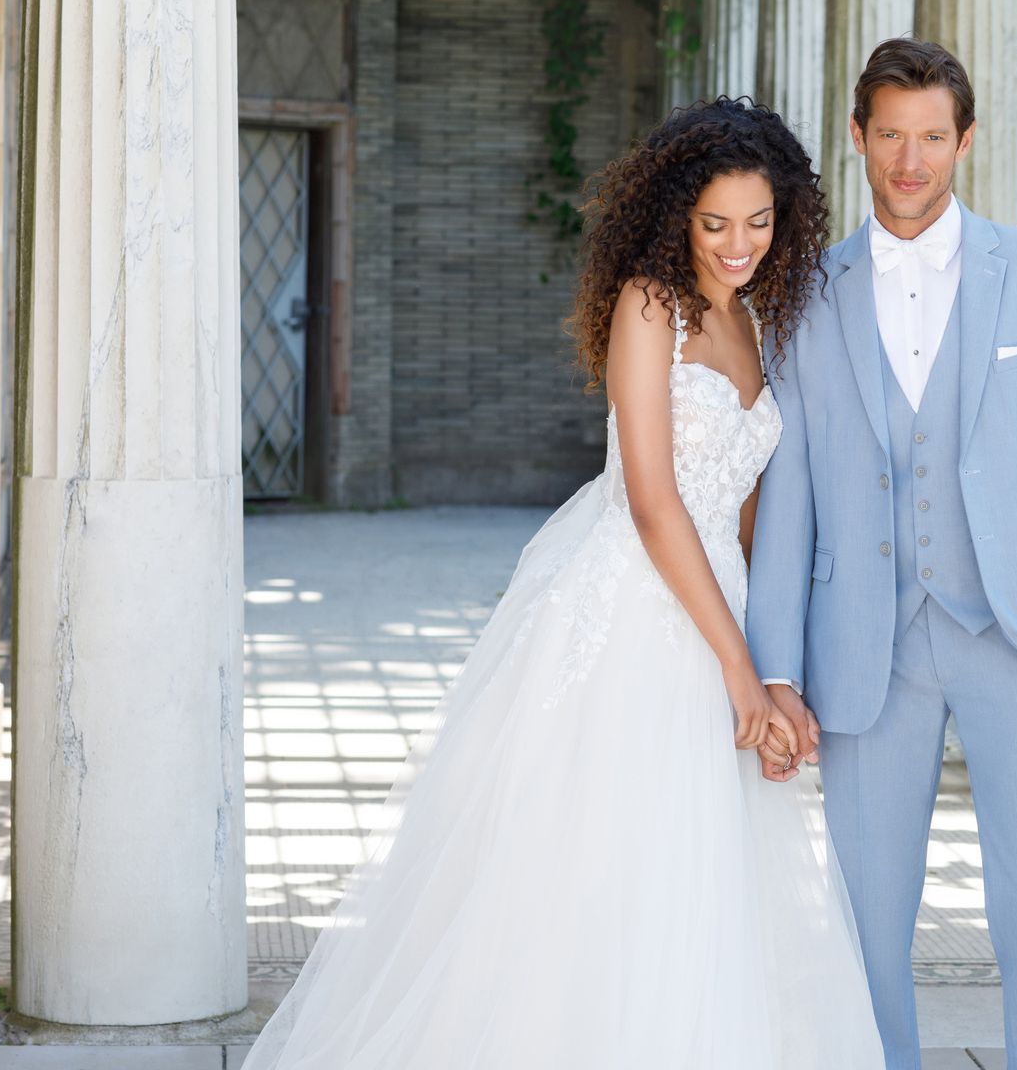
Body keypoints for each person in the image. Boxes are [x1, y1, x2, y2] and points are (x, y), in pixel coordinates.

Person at [241, 98, 885, 1069]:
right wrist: (738, 668)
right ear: (677, 214)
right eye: (716, 223)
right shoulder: (648, 302)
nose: (739, 243)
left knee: (696, 879)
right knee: (592, 869)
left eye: (760, 221)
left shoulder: (752, 315)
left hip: (719, 602)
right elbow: (654, 502)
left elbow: (749, 509)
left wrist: (773, 663)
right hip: (635, 604)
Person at [747, 38, 1017, 1070]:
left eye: (930, 137)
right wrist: (775, 666)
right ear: (861, 138)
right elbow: (791, 497)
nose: (909, 161)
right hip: (865, 645)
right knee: (867, 920)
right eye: (889, 136)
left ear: (964, 139)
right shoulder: (804, 292)